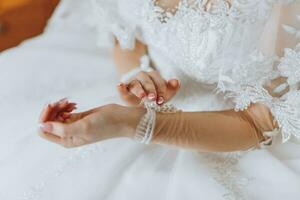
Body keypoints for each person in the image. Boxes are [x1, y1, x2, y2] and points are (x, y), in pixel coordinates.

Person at [1, 0, 300, 199]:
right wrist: (138, 74)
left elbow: (259, 123)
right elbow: (127, 32)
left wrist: (136, 123)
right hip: (138, 91)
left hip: (234, 133)